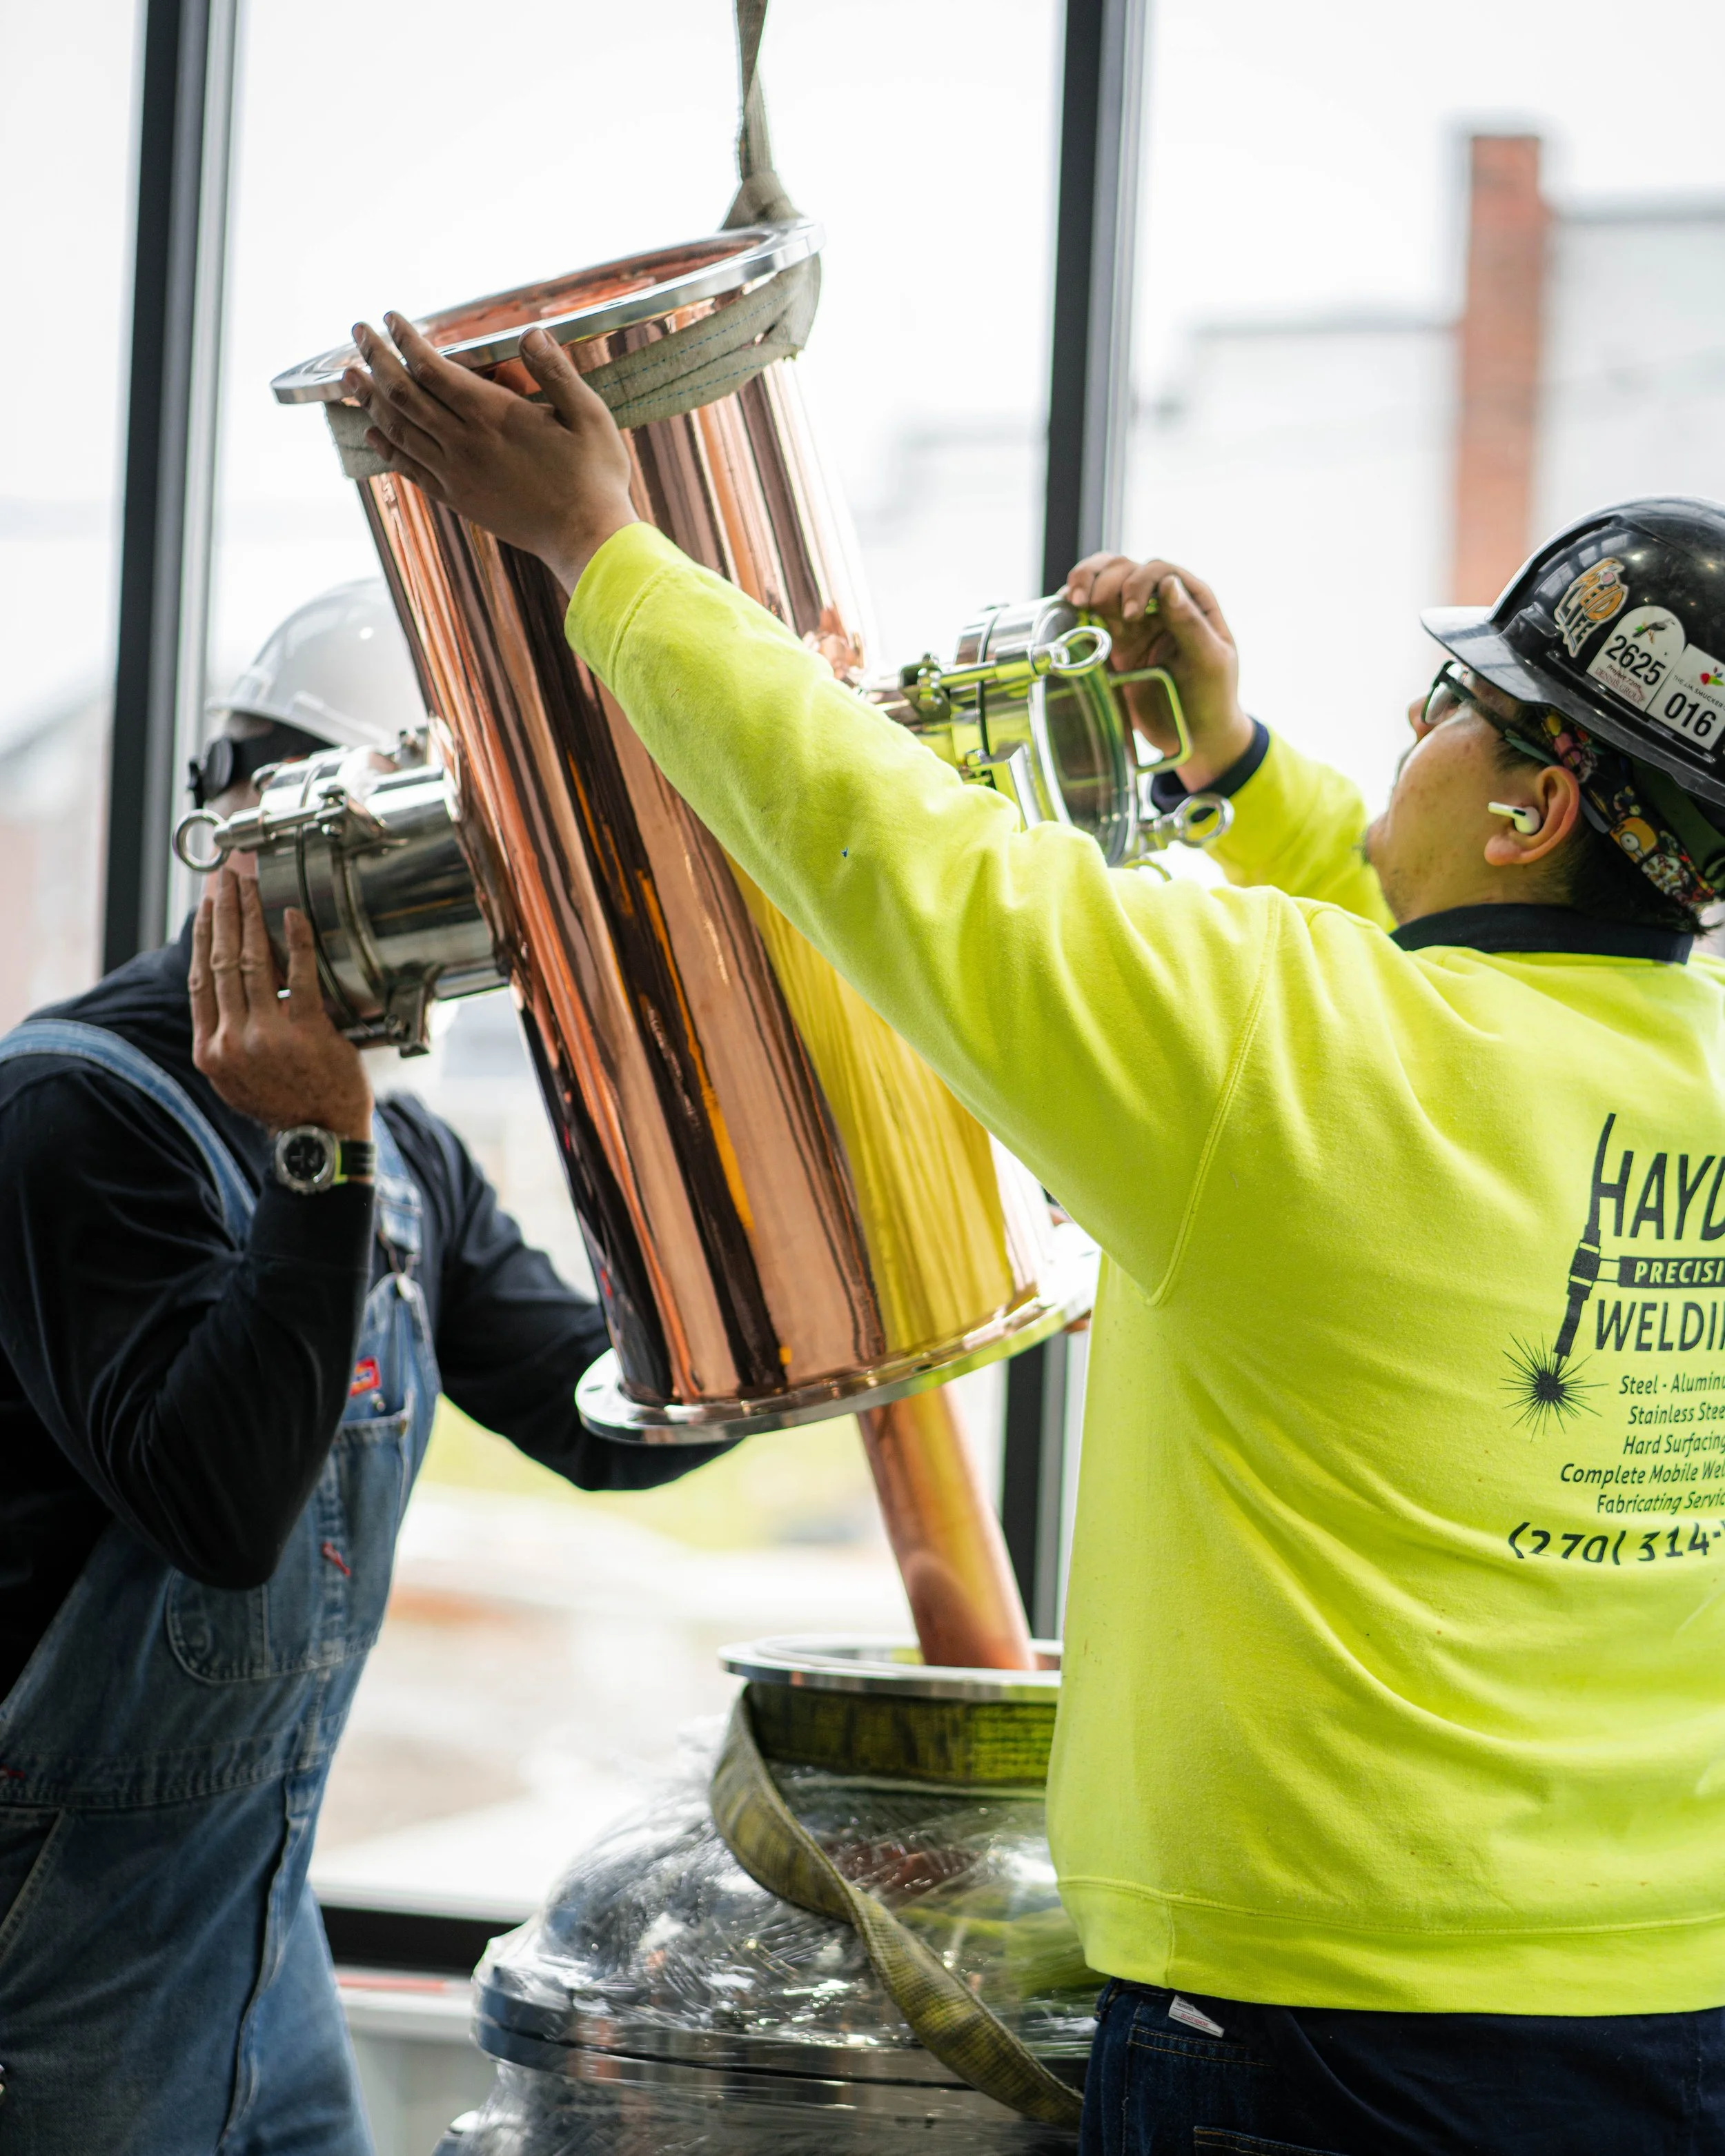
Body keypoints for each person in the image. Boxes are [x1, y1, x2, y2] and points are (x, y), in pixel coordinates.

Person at [346, 311, 1725, 2154]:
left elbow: (895, 851)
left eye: (1444, 716)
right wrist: (1231, 760)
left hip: (1328, 2036)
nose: (1403, 742)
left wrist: (603, 551)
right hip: (1668, 2004)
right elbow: (1455, 994)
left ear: (1537, 799)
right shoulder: (1594, 1060)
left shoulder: (1272, 1041)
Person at [0, 587, 730, 2155]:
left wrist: (800, 1296)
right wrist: (316, 1153)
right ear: (261, 852)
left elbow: (605, 1413)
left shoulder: (400, 1154)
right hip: (53, 1966)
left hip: (256, 1938)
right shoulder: (72, 1117)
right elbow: (217, 1501)